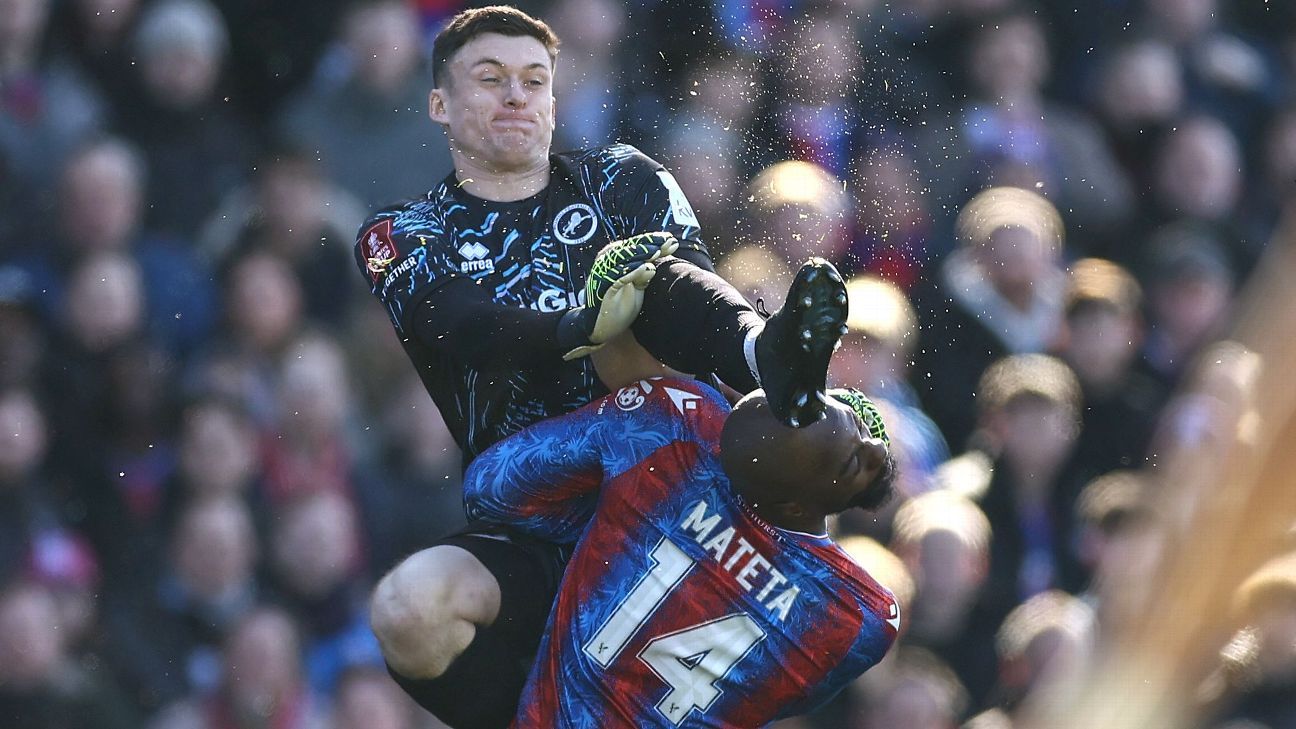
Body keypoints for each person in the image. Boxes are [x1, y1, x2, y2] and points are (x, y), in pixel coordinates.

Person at [361, 6, 849, 726]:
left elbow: (682, 299)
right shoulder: (402, 231)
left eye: (535, 80)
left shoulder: (619, 177)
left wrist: (646, 326)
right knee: (407, 609)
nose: (516, 95)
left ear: (556, 102)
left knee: (650, 284)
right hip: (532, 524)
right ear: (440, 103)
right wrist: (579, 325)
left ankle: (766, 352)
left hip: (672, 508)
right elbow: (461, 326)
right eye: (489, 78)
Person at [461, 345, 900, 727]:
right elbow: (789, 698)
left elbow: (488, 488)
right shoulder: (858, 615)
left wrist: (609, 536)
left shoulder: (675, 425)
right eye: (855, 452)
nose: (879, 447)